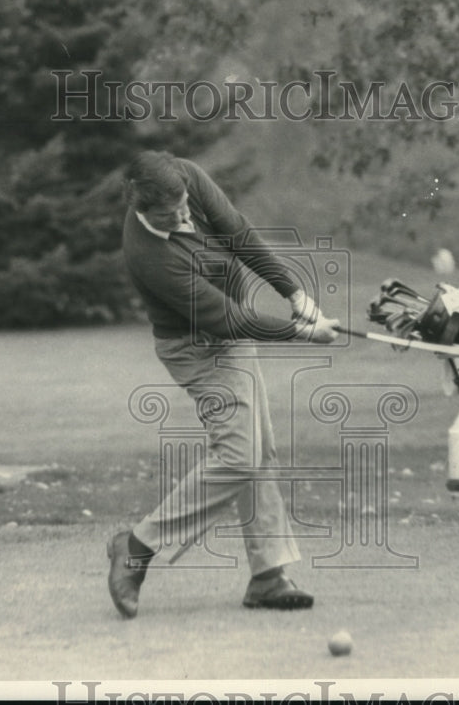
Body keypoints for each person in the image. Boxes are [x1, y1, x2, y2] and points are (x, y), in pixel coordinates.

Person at [109, 151, 338, 619]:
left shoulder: (184, 177)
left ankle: (268, 577)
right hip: (195, 349)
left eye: (183, 205)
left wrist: (293, 292)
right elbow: (226, 317)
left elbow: (236, 231)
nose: (183, 216)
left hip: (233, 336)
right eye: (170, 215)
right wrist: (301, 332)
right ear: (140, 210)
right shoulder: (150, 256)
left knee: (260, 450)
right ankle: (136, 545)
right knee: (238, 455)